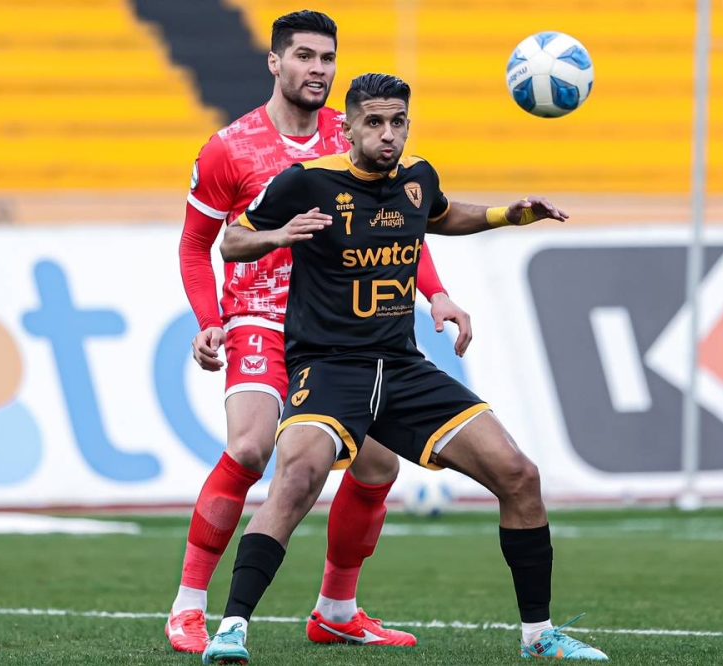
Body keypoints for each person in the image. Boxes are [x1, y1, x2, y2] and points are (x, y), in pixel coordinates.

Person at [201, 73, 609, 664]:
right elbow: (231, 241)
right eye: (374, 122)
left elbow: (440, 216)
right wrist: (280, 235)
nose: (388, 134)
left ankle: (539, 636)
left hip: (401, 368)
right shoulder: (307, 181)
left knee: (519, 475)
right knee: (297, 478)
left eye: (397, 122)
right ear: (347, 128)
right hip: (329, 367)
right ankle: (232, 629)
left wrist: (507, 214)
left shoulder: (418, 178)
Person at [170, 10, 474, 653]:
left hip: (341, 331)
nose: (318, 69)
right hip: (263, 317)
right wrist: (209, 322)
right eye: (304, 56)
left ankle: (336, 609)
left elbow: (400, 224)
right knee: (250, 449)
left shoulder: (356, 130)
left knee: (378, 466)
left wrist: (437, 292)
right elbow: (198, 245)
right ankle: (189, 606)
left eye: (327, 58)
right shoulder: (230, 147)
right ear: (274, 62)